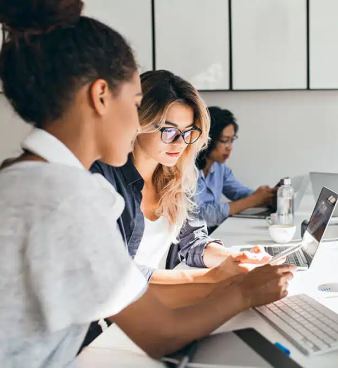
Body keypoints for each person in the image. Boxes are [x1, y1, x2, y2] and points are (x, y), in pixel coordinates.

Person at [0, 1, 294, 366]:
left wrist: (226, 283)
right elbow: (160, 333)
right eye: (136, 102)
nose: (140, 123)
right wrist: (243, 293)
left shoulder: (23, 179)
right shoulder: (69, 197)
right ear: (101, 95)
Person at [83, 70, 273, 348]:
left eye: (188, 132)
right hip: (114, 320)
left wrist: (234, 257)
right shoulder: (104, 178)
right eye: (168, 130)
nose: (179, 143)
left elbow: (194, 244)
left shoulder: (178, 176)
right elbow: (119, 275)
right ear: (140, 123)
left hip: (164, 305)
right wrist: (209, 278)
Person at [195, 106, 275, 228]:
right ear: (207, 140)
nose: (230, 147)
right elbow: (201, 216)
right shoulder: (186, 170)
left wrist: (267, 196)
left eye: (232, 140)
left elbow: (238, 192)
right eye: (224, 140)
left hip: (210, 232)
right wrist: (254, 200)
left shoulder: (219, 167)